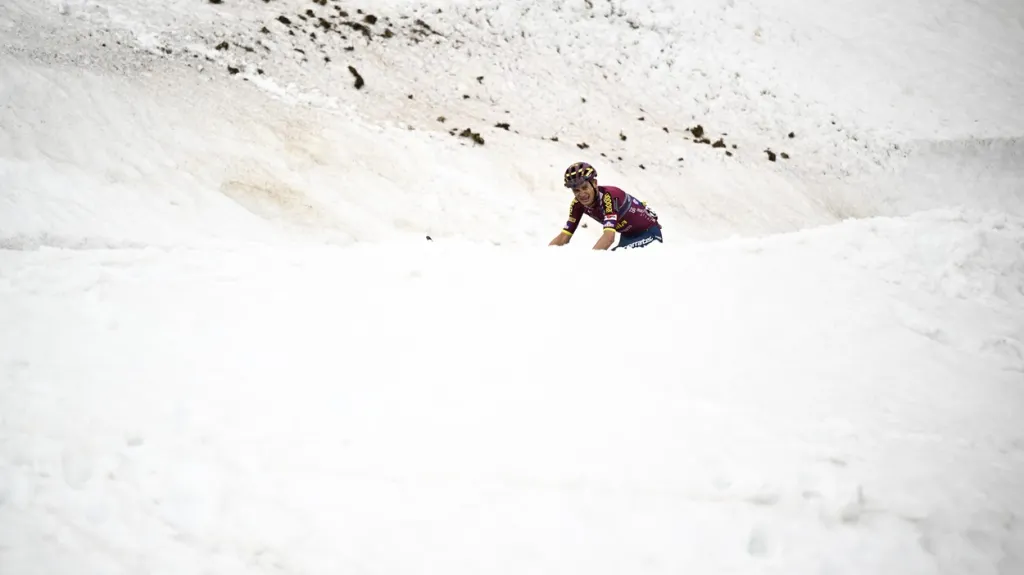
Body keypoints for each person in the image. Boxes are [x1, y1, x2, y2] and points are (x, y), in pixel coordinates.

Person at [548, 161, 663, 250]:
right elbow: (564, 236)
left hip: (648, 232)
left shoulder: (608, 197)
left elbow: (608, 238)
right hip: (627, 236)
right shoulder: (577, 204)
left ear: (595, 184)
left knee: (610, 263)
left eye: (584, 188)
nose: (582, 194)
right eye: (576, 190)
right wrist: (545, 255)